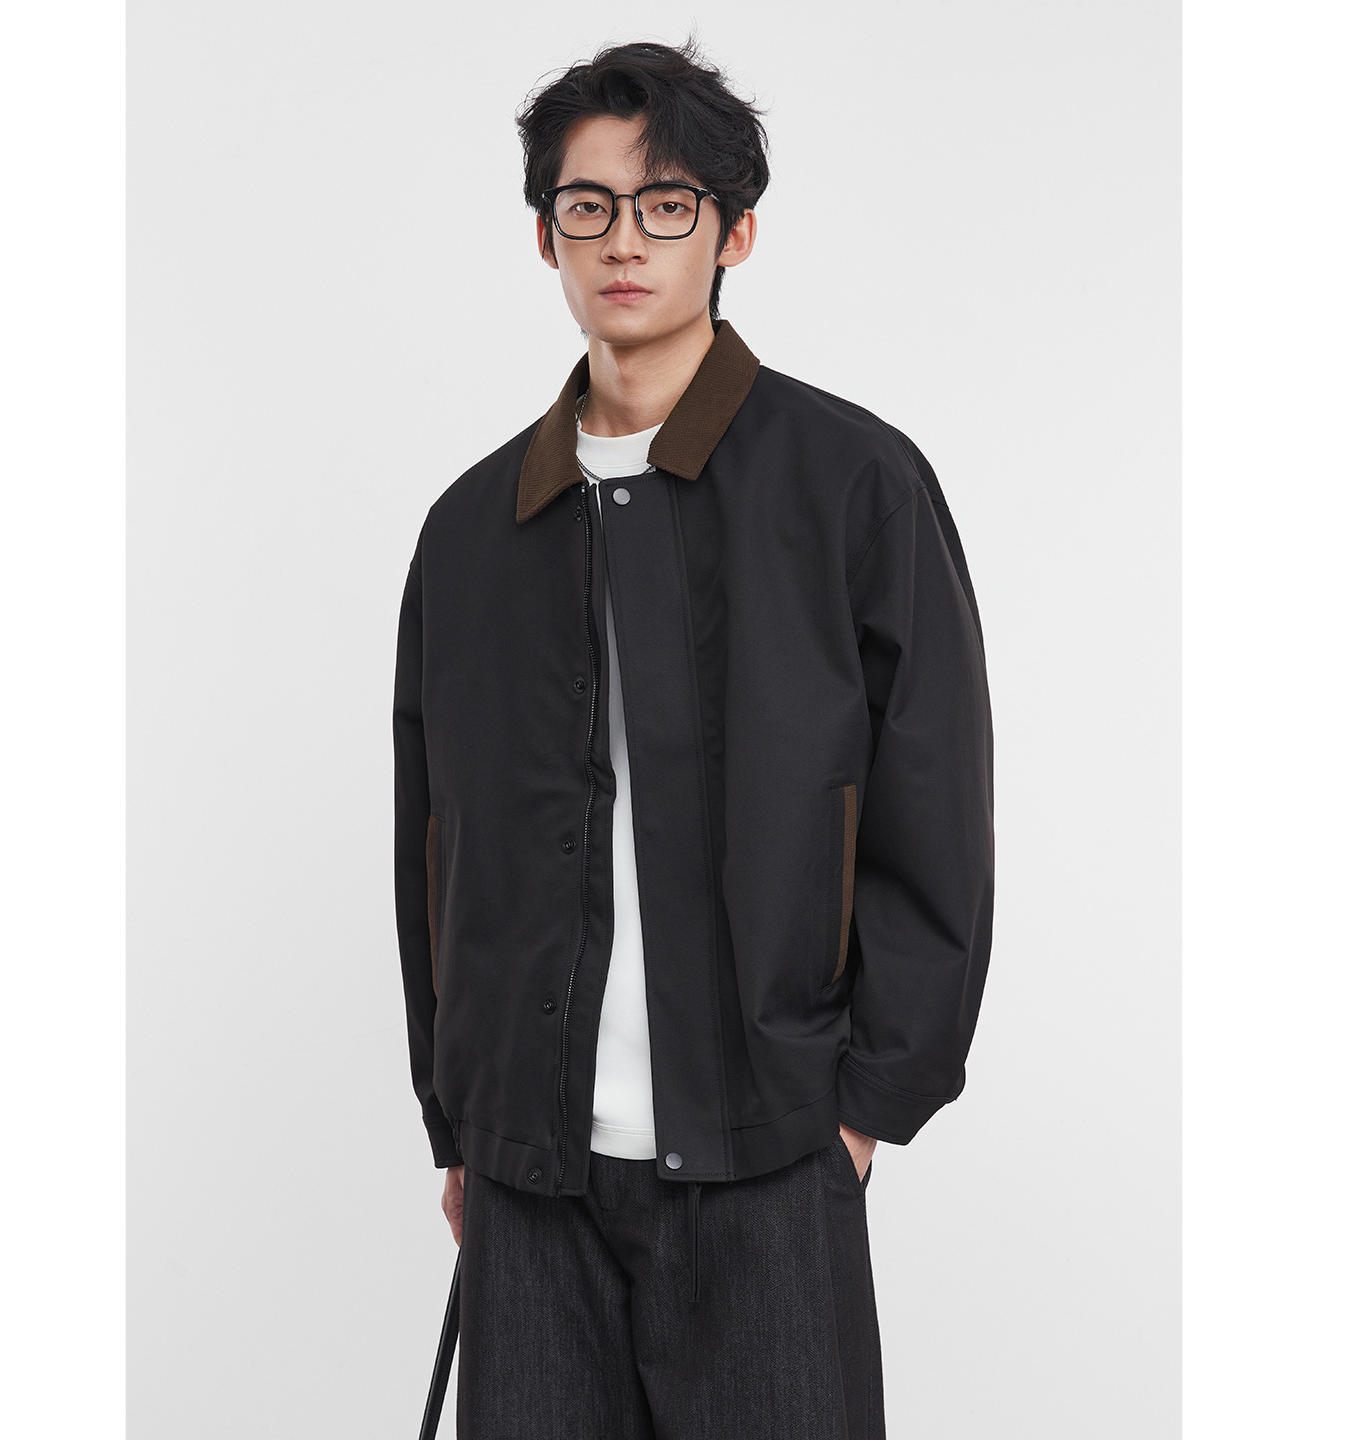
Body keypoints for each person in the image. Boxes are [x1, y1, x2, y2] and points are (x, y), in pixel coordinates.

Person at [392, 36, 995, 1440]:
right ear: (545, 234)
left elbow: (935, 803)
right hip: (530, 1178)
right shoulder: (473, 529)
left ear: (735, 232)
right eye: (588, 205)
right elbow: (434, 849)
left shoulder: (851, 483)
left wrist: (862, 1105)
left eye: (667, 204)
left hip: (769, 1158)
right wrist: (462, 1119)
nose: (625, 239)